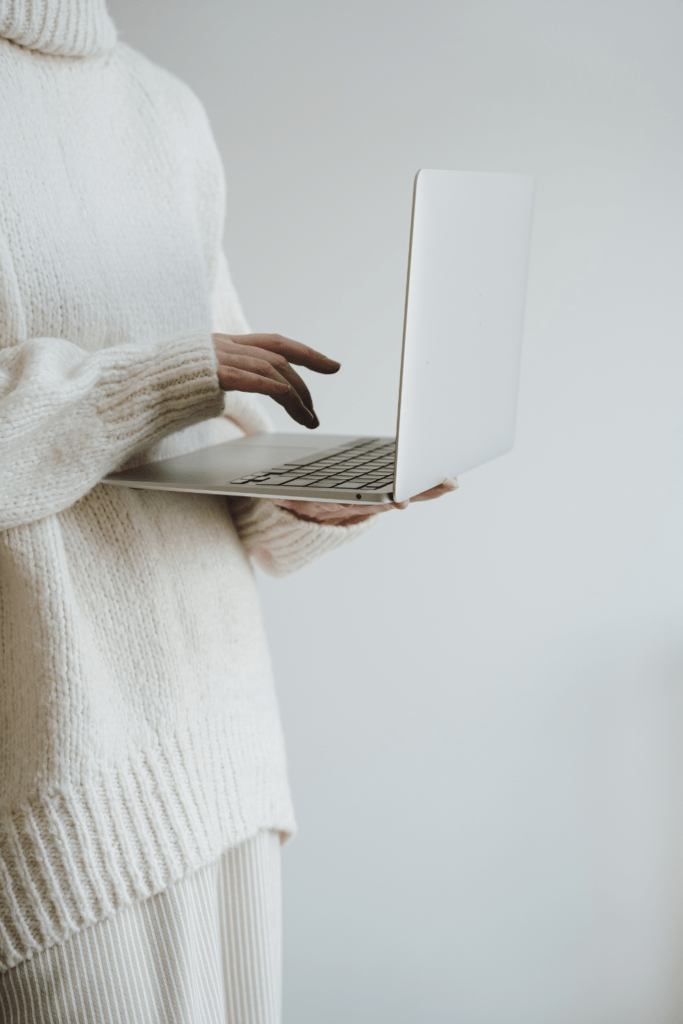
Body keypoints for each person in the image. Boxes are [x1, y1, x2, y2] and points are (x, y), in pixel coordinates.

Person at [0, 0, 455, 1019]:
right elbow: (165, 384)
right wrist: (154, 381)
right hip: (57, 781)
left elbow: (204, 425)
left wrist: (312, 491)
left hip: (222, 751)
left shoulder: (165, 111)